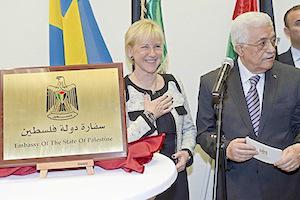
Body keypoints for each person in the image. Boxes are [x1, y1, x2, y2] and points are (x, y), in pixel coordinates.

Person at [196, 12, 300, 200]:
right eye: (262, 43)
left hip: (285, 186)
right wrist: (226, 149)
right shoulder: (214, 83)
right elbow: (204, 133)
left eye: (272, 40)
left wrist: (299, 149)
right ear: (240, 49)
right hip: (236, 187)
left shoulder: (294, 78)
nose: (271, 49)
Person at [124, 19, 196, 200]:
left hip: (176, 179)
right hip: (141, 181)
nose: (152, 53)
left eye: (157, 46)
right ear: (130, 51)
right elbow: (120, 143)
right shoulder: (120, 89)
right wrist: (149, 116)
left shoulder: (174, 83)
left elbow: (189, 128)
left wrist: (187, 152)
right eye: (144, 47)